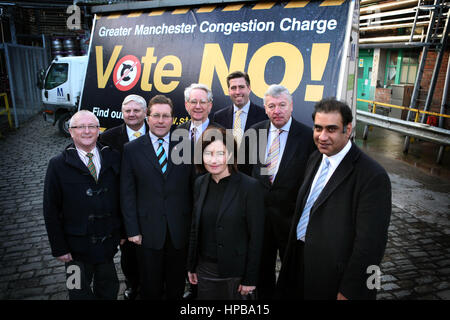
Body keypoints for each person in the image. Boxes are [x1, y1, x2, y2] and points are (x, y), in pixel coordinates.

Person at [277, 98, 392, 300]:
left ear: (347, 130)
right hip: (299, 265)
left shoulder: (372, 176)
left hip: (333, 278)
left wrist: (351, 289)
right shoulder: (315, 159)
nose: (322, 136)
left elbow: (371, 243)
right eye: (318, 128)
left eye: (331, 129)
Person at [43, 110, 123, 300]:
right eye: (80, 127)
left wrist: (121, 232)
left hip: (106, 245)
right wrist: (59, 247)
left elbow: (122, 198)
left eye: (92, 127)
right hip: (74, 249)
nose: (87, 131)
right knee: (77, 291)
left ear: (98, 130)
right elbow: (50, 209)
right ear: (71, 131)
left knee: (109, 289)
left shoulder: (112, 157)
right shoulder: (57, 164)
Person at [120, 94, 194, 300]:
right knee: (150, 288)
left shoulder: (185, 144)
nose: (161, 121)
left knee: (176, 287)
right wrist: (132, 230)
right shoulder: (132, 149)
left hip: (179, 231)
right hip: (146, 233)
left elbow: (192, 186)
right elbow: (127, 193)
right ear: (147, 117)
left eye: (166, 116)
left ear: (172, 119)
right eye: (156, 116)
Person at [248, 85, 315, 300]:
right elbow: (248, 172)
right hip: (260, 219)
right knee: (262, 272)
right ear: (265, 109)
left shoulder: (307, 137)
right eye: (271, 106)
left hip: (291, 220)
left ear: (291, 106)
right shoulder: (255, 132)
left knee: (292, 274)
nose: (277, 110)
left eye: (282, 105)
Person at [187, 126, 265, 300]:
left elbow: (257, 238)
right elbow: (195, 227)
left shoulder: (250, 187)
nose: (214, 160)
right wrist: (191, 265)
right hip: (205, 270)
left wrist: (250, 278)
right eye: (208, 153)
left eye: (220, 153)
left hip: (236, 274)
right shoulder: (200, 183)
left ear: (231, 155)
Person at [98, 94, 149, 300]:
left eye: (136, 110)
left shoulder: (158, 132)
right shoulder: (108, 138)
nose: (132, 114)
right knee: (128, 253)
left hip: (153, 205)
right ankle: (132, 285)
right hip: (124, 207)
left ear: (145, 112)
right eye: (127, 111)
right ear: (122, 112)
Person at [177, 83, 221, 300]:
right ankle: (190, 287)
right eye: (193, 101)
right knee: (186, 249)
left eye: (202, 102)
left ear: (210, 105)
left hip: (210, 206)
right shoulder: (176, 134)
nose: (197, 106)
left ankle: (204, 290)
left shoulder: (222, 134)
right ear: (186, 105)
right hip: (182, 208)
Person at [212, 71, 267, 174]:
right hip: (225, 175)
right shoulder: (219, 117)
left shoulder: (264, 116)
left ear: (249, 88)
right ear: (228, 90)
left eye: (241, 87)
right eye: (233, 88)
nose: (237, 92)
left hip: (251, 179)